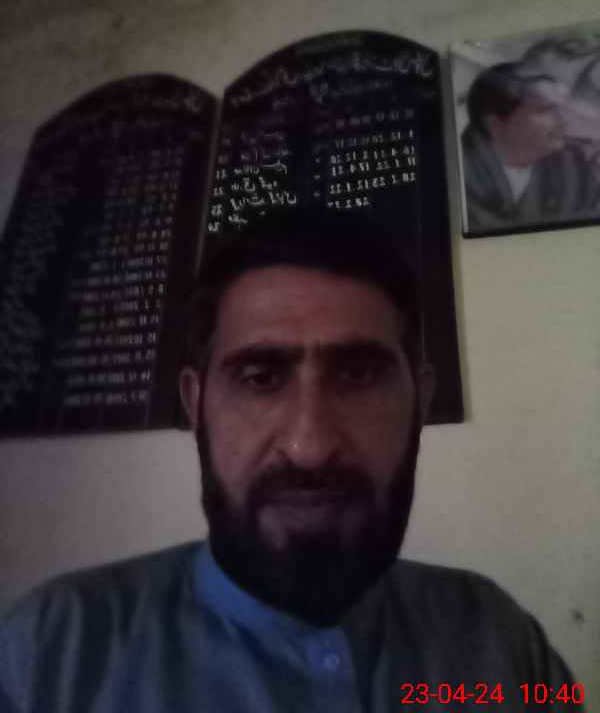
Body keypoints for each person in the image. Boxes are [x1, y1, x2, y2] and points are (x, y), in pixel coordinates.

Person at [0, 208, 582, 712]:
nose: (310, 445)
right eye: (260, 378)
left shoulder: (503, 644)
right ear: (195, 403)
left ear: (421, 400)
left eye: (359, 374)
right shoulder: (46, 655)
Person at [461, 62, 599, 233]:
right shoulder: (457, 174)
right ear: (494, 124)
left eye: (562, 108)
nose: (564, 120)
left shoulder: (574, 168)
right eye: (545, 110)